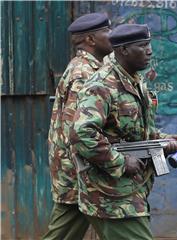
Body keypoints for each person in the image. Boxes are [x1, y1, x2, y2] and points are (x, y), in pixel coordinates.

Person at [69, 23, 177, 240]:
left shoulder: (135, 80)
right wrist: (119, 162)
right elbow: (82, 134)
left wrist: (162, 140)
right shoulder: (102, 85)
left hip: (130, 190)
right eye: (142, 46)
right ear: (123, 50)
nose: (149, 51)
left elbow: (135, 131)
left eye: (149, 44)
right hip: (110, 193)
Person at [43, 13, 113, 240]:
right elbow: (79, 128)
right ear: (91, 40)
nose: (112, 36)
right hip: (79, 171)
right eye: (107, 32)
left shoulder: (90, 68)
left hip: (79, 171)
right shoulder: (83, 73)